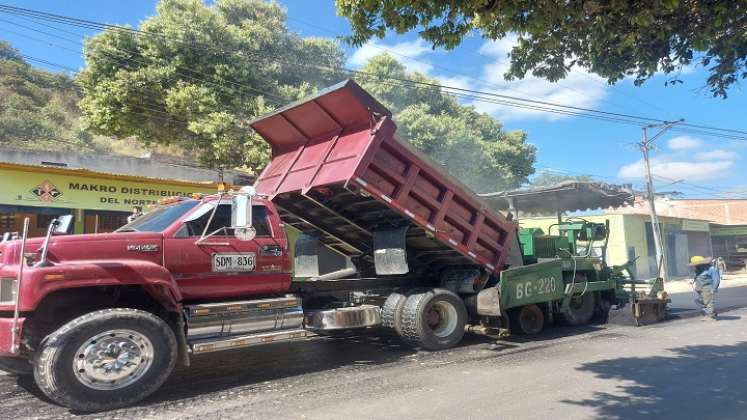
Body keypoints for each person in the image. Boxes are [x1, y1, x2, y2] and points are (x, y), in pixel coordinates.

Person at [688, 255, 720, 321]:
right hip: (700, 289)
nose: (695, 266)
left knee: (708, 302)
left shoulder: (711, 269)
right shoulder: (698, 269)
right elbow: (697, 276)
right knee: (699, 301)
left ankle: (710, 317)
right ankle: (712, 313)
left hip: (707, 288)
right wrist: (692, 281)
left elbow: (717, 280)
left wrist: (714, 289)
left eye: (696, 264)